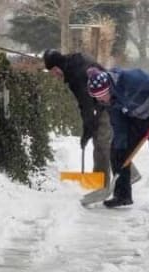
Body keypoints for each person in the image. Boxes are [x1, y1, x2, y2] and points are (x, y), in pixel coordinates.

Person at [86, 66, 149, 208]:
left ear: (109, 87)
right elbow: (118, 124)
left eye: (102, 95)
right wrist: (120, 146)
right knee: (117, 152)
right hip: (135, 118)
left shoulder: (132, 79)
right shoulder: (108, 101)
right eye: (97, 97)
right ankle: (122, 196)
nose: (101, 99)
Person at [42, 49, 112, 187]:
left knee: (101, 143)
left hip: (108, 100)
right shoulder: (74, 63)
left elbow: (86, 104)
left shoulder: (76, 73)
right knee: (104, 142)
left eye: (53, 73)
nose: (55, 76)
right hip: (102, 100)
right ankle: (125, 174)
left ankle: (101, 186)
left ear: (57, 68)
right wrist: (88, 128)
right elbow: (84, 103)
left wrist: (87, 129)